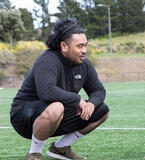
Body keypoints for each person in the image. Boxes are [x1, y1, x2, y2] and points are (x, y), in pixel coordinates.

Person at [10, 19, 110, 160]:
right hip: (24, 115)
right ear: (64, 46)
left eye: (85, 45)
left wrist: (91, 104)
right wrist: (77, 99)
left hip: (57, 113)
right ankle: (34, 154)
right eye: (80, 46)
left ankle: (60, 148)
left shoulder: (84, 64)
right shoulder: (48, 59)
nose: (84, 51)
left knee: (102, 110)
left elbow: (98, 91)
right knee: (57, 106)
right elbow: (47, 92)